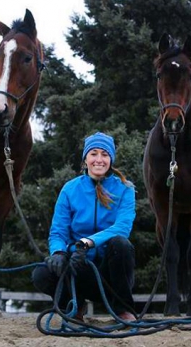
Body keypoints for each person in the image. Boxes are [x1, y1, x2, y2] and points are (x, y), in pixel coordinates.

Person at [32, 132, 137, 322]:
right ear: (85, 158)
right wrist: (58, 252)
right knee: (42, 273)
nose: (99, 159)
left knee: (121, 244)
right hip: (79, 267)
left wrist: (88, 242)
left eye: (104, 155)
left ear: (111, 159)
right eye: (94, 154)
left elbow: (122, 227)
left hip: (111, 273)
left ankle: (123, 310)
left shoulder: (125, 188)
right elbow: (58, 231)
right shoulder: (70, 189)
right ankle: (74, 306)